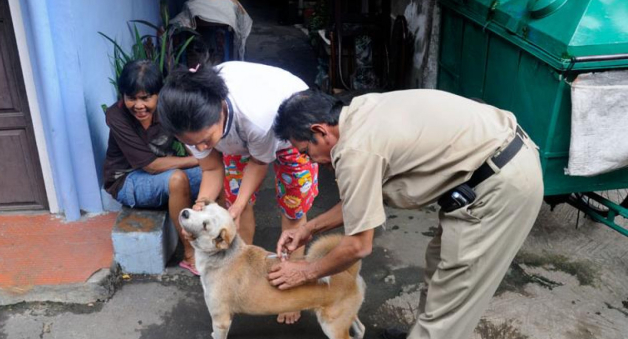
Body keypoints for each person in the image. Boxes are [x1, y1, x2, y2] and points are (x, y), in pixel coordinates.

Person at [267, 89, 544, 339]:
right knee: (438, 273)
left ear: (321, 131)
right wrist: (308, 228)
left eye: (306, 151)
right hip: (490, 165)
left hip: (501, 185)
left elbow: (358, 245)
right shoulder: (360, 112)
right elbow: (363, 199)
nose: (309, 160)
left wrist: (305, 273)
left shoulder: (355, 150)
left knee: (451, 305)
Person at [157, 61, 319, 324]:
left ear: (221, 110)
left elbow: (258, 162)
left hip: (290, 127)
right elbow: (211, 169)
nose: (199, 146)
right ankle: (242, 278)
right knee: (234, 207)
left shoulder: (256, 115)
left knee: (293, 207)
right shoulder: (192, 125)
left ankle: (294, 288)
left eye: (206, 140)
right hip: (238, 137)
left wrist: (240, 204)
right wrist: (201, 208)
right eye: (191, 143)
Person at [102, 60, 203, 275]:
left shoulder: (168, 109)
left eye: (146, 98)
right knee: (177, 178)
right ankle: (189, 254)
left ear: (159, 94)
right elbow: (151, 166)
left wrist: (199, 156)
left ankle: (220, 244)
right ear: (123, 96)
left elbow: (194, 146)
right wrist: (195, 160)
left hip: (160, 171)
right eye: (132, 98)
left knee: (213, 173)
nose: (139, 106)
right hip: (126, 181)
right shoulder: (116, 116)